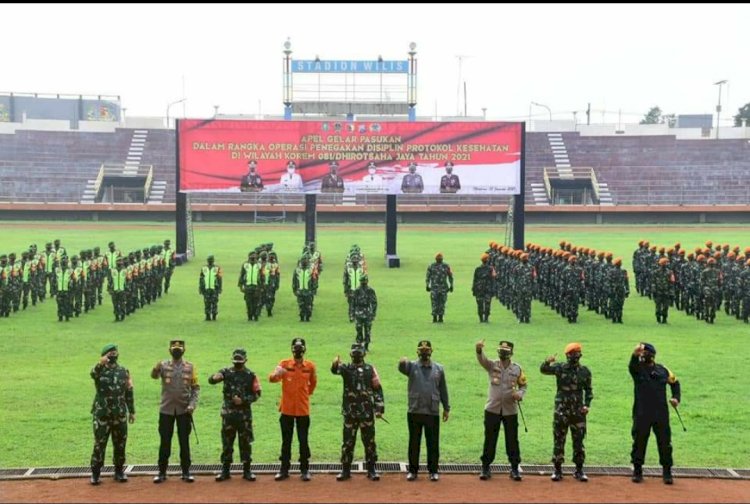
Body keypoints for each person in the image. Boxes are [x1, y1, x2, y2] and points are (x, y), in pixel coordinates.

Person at [398, 340, 450, 482]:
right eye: (422, 350)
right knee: (414, 442)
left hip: (432, 411)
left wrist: (446, 408)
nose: (424, 352)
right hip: (415, 410)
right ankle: (413, 471)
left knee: (433, 443)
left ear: (431, 351)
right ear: (417, 352)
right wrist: (402, 361)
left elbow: (443, 389)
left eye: (427, 350)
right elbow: (401, 368)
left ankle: (433, 471)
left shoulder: (439, 369)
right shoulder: (412, 367)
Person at [540, 342, 593, 482]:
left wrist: (587, 405)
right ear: (567, 355)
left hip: (578, 412)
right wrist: (547, 361)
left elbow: (588, 390)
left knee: (579, 441)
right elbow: (543, 370)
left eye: (577, 353)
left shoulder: (585, 371)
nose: (574, 356)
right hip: (561, 411)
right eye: (572, 353)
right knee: (559, 440)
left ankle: (579, 470)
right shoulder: (560, 368)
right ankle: (557, 470)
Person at [331, 343, 384, 482]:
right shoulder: (346, 368)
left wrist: (379, 409)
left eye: (359, 353)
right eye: (354, 353)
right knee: (348, 442)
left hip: (366, 412)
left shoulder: (370, 369)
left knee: (369, 442)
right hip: (350, 412)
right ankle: (345, 470)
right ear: (351, 355)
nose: (357, 355)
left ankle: (371, 470)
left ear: (363, 354)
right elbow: (334, 371)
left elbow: (377, 389)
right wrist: (335, 363)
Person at [629, 343, 681, 485]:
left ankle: (667, 472)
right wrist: (634, 354)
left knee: (665, 443)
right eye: (640, 353)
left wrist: (676, 398)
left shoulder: (663, 370)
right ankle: (637, 471)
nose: (641, 355)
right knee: (639, 442)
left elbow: (675, 383)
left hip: (661, 413)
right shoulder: (637, 369)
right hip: (642, 412)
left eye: (644, 353)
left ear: (651, 355)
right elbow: (632, 364)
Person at [475, 339, 526, 481]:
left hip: (510, 410)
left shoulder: (517, 369)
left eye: (506, 351)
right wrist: (479, 350)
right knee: (490, 439)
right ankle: (485, 467)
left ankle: (515, 468)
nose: (503, 353)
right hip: (492, 409)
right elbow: (482, 360)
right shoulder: (492, 365)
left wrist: (520, 394)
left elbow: (523, 386)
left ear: (511, 353)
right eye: (501, 351)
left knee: (512, 440)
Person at [151, 340, 200, 484]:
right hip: (166, 410)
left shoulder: (190, 367)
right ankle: (161, 472)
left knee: (184, 442)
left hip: (184, 410)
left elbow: (195, 388)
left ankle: (186, 471)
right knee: (164, 441)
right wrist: (155, 368)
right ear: (170, 350)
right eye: (174, 348)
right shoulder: (164, 365)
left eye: (179, 348)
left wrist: (192, 405)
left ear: (184, 350)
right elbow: (153, 376)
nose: (176, 351)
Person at [209, 348, 262, 482]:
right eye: (236, 360)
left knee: (245, 443)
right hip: (228, 415)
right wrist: (214, 378)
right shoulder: (225, 372)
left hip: (244, 416)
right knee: (227, 443)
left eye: (240, 360)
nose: (237, 362)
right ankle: (225, 471)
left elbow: (257, 394)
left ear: (245, 360)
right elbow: (212, 380)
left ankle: (247, 471)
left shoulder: (251, 375)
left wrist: (243, 400)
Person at [269, 338, 318, 482]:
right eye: (295, 348)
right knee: (286, 441)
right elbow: (272, 379)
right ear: (292, 350)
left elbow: (313, 383)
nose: (298, 351)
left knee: (303, 441)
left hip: (303, 410)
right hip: (287, 410)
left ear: (304, 350)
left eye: (300, 348)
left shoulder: (310, 366)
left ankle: (305, 470)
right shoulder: (284, 364)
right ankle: (284, 470)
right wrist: (277, 373)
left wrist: (305, 394)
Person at [89, 344, 135, 485]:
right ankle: (95, 473)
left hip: (119, 414)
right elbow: (92, 374)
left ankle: (119, 471)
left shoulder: (124, 371)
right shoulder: (99, 370)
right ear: (104, 355)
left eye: (115, 352)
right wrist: (100, 363)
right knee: (99, 444)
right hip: (102, 414)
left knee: (120, 443)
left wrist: (131, 411)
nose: (113, 354)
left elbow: (128, 392)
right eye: (110, 353)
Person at [352, 274, 377, 351]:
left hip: (367, 312)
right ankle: (359, 345)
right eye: (362, 282)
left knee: (367, 330)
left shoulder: (370, 290)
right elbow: (353, 303)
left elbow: (374, 302)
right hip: (359, 312)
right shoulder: (357, 291)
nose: (363, 283)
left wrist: (373, 313)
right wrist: (352, 314)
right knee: (359, 329)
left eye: (364, 281)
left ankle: (366, 346)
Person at [426, 252, 454, 323]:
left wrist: (427, 285)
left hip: (434, 288)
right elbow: (450, 276)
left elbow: (427, 277)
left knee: (435, 303)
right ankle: (440, 317)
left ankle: (435, 317)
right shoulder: (446, 266)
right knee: (441, 303)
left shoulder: (431, 266)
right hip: (443, 288)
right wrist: (451, 285)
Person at [238, 252, 265, 321]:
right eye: (251, 256)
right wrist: (240, 286)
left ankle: (255, 316)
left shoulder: (259, 265)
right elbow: (241, 275)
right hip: (247, 287)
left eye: (254, 256)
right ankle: (249, 317)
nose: (253, 257)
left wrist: (262, 287)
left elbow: (262, 277)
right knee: (248, 303)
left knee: (256, 303)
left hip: (257, 287)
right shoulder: (245, 265)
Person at [293, 255, 318, 322]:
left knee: (308, 306)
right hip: (300, 291)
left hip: (308, 291)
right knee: (301, 305)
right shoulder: (297, 270)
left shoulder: (311, 270)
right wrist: (294, 290)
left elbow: (314, 281)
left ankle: (307, 317)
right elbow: (294, 281)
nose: (304, 262)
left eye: (305, 260)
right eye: (303, 260)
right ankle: (301, 317)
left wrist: (314, 290)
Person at [199, 255, 222, 321]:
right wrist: (200, 288)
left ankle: (214, 316)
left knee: (214, 303)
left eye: (211, 260)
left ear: (213, 260)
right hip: (206, 288)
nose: (210, 261)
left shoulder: (217, 268)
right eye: (209, 260)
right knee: (207, 302)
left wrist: (220, 288)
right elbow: (201, 279)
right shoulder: (204, 268)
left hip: (214, 288)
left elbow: (220, 279)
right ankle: (207, 316)